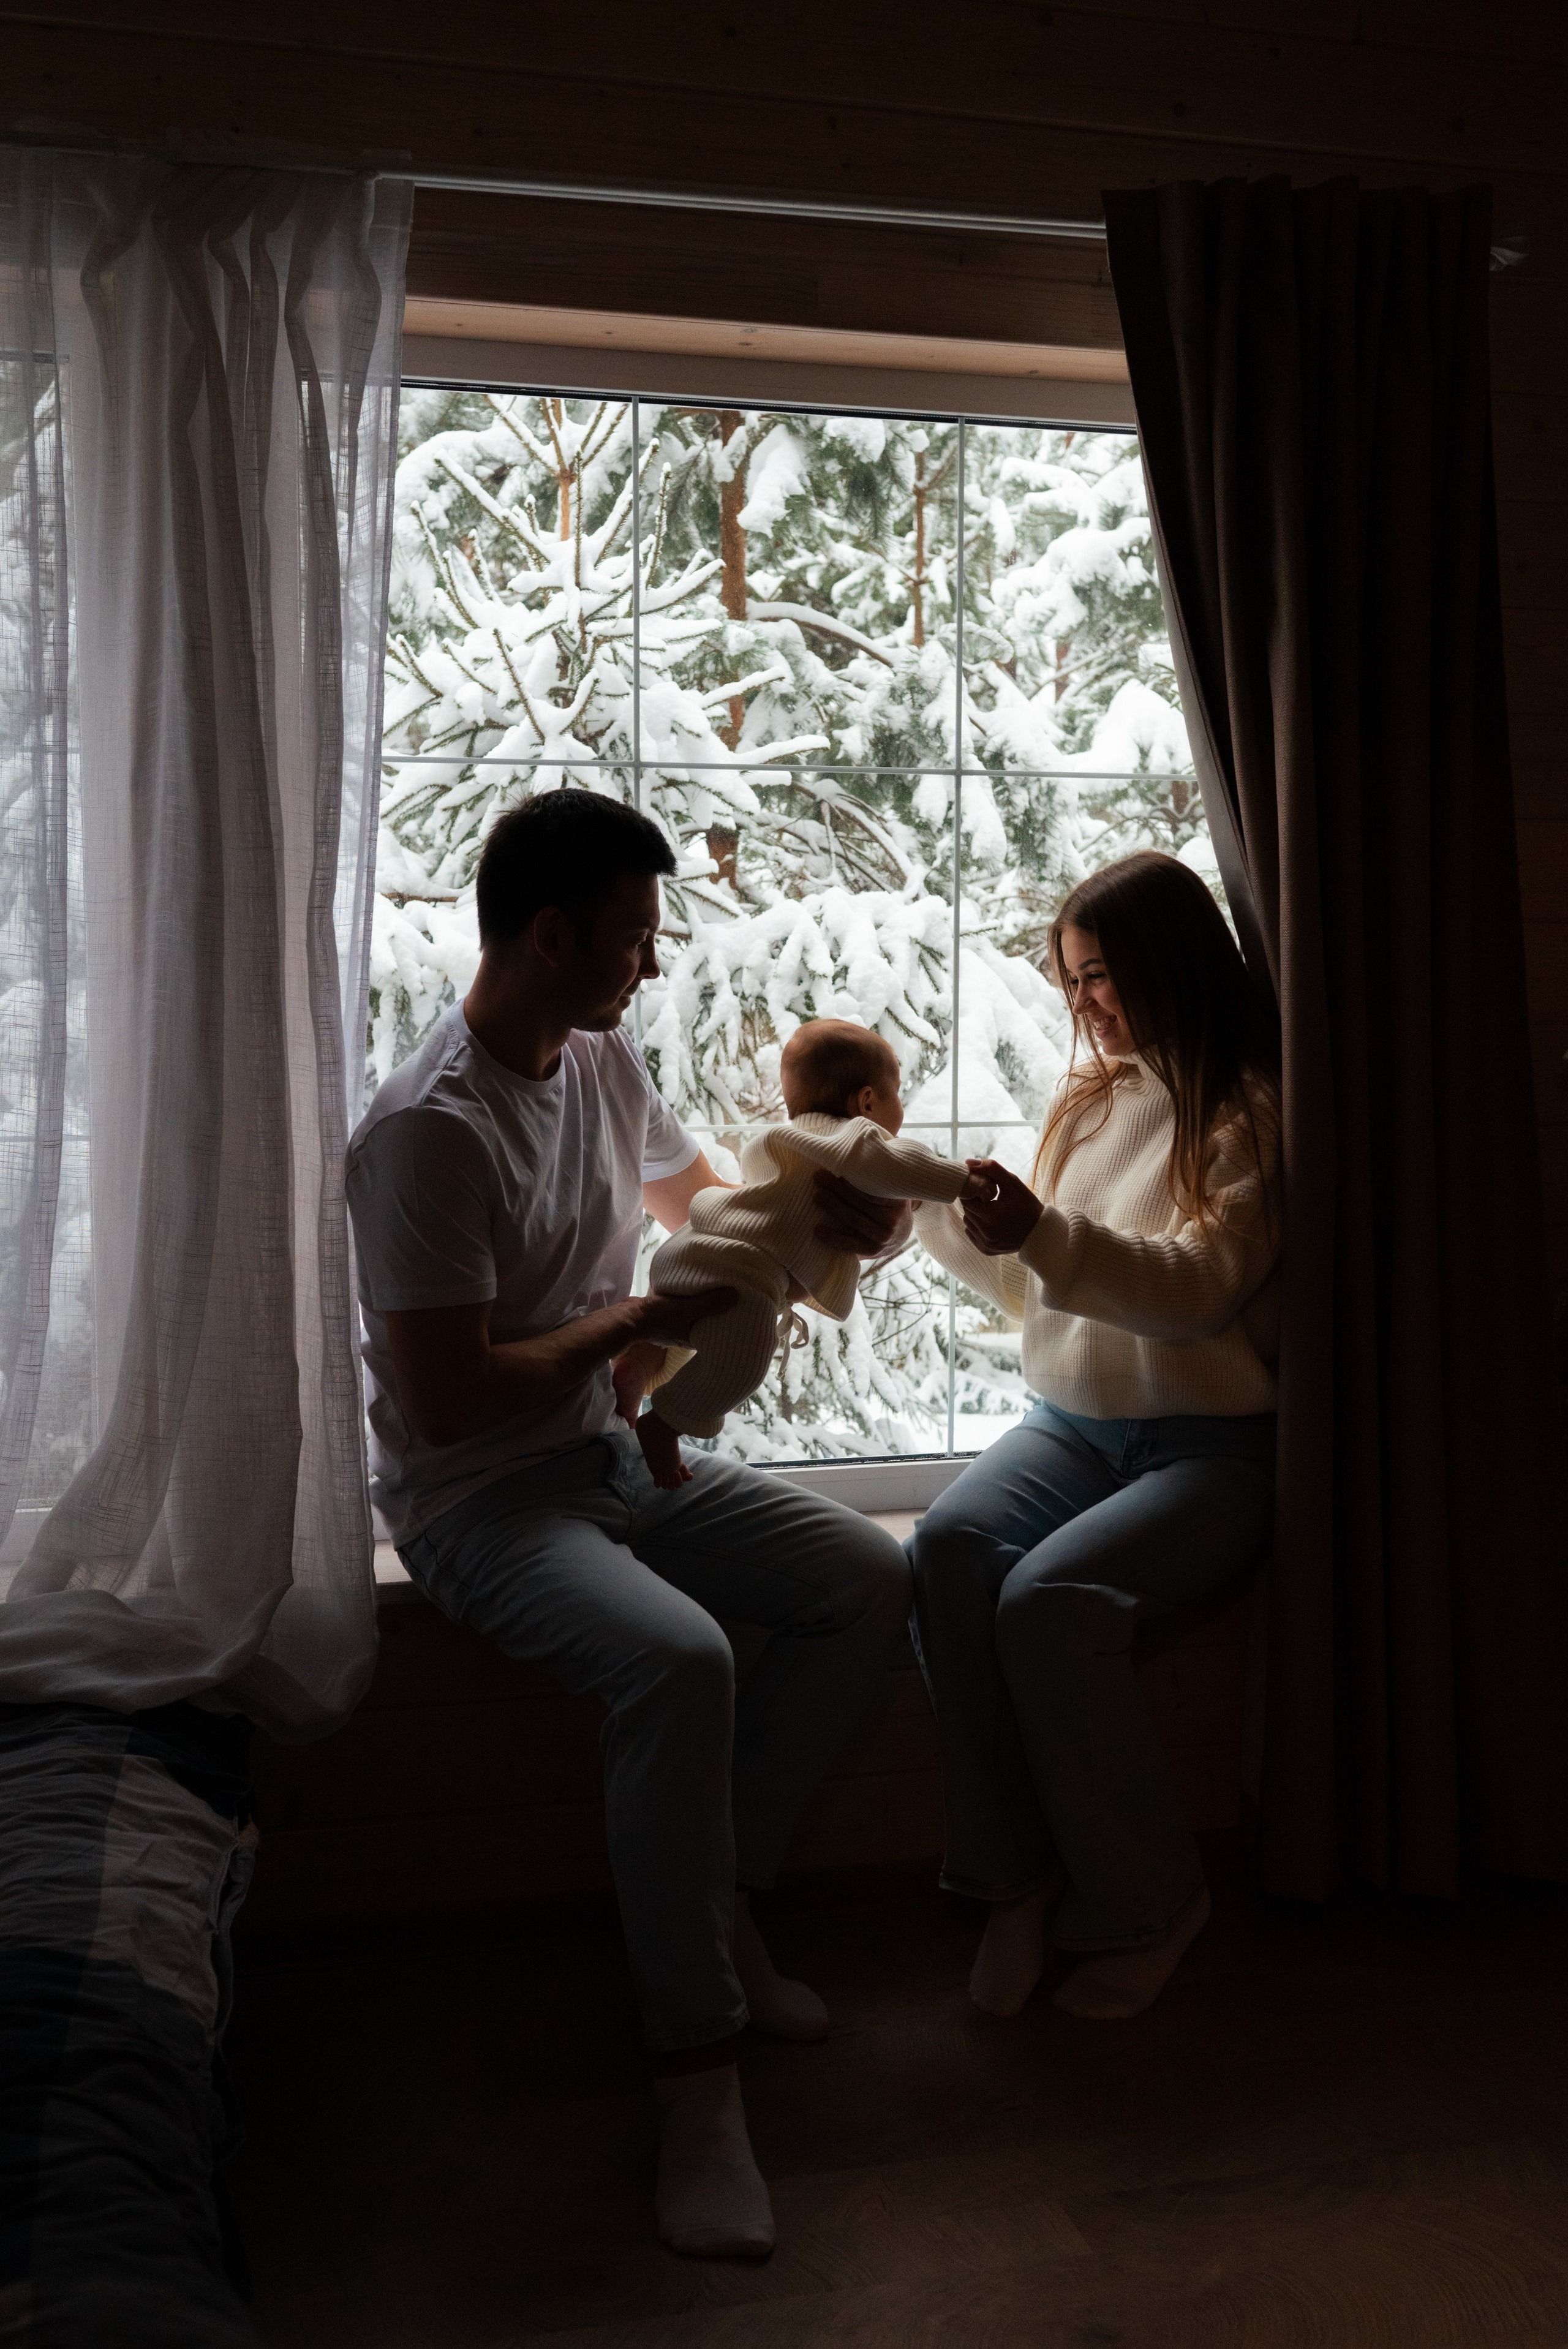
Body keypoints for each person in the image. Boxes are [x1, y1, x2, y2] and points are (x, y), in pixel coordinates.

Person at [344, 791, 912, 2262]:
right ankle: (696, 2079)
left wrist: (838, 1218)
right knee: (678, 1661)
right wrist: (627, 1321)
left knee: (865, 1575)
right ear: (551, 935)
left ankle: (719, 1906)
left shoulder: (598, 1062)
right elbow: (448, 1402)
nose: (651, 964)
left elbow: (707, 1214)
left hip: (609, 1455)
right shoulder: (424, 1133)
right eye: (635, 936)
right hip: (482, 1501)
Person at [910, 851, 1281, 2025]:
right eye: (1072, 980)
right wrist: (926, 1209)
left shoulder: (1249, 1113)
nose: (1085, 1004)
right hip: (1072, 1429)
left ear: (1173, 963)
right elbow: (1044, 1284)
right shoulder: (1086, 1104)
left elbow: (1194, 1290)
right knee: (947, 1551)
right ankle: (1014, 1882)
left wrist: (1043, 1234)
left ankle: (1151, 1902)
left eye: (1103, 975)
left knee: (1051, 1603)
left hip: (1212, 1450)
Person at [614, 1019, 986, 1488]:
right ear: (867, 1102)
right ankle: (665, 1422)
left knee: (693, 1328)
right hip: (742, 1270)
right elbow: (908, 1163)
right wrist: (964, 1182)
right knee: (744, 1357)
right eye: (896, 1096)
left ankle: (639, 1365)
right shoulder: (858, 1139)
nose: (901, 1112)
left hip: (691, 1244)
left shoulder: (790, 1140)